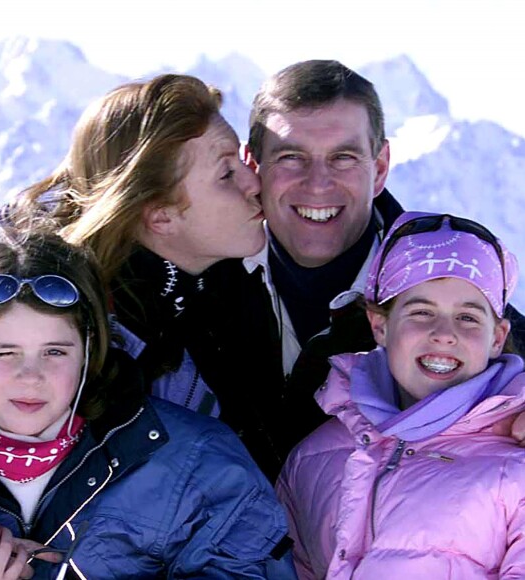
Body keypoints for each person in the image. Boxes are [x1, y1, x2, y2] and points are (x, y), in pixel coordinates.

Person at [211, 59, 525, 471]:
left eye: (342, 157)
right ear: (254, 166)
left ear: (379, 169)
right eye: (291, 157)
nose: (318, 183)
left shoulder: (457, 301)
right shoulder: (203, 284)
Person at [0, 225, 296, 579]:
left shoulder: (199, 464)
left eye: (55, 351)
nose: (30, 376)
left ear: (88, 348)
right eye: (5, 352)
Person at [3, 73, 286, 476]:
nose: (254, 182)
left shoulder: (227, 294)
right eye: (226, 174)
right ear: (160, 215)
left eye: (241, 162)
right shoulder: (82, 348)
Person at [277, 211, 525, 578]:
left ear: (497, 337)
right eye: (422, 312)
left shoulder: (516, 461)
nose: (444, 333)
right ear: (380, 325)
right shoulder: (311, 459)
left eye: (468, 317)